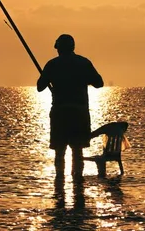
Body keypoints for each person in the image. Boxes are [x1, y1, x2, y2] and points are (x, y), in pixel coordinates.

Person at [37, 34, 104, 179]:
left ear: (59, 48)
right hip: (79, 113)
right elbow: (99, 83)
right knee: (77, 150)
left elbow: (40, 87)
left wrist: (50, 77)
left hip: (60, 112)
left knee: (59, 151)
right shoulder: (84, 63)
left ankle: (59, 181)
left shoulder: (52, 64)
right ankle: (78, 182)